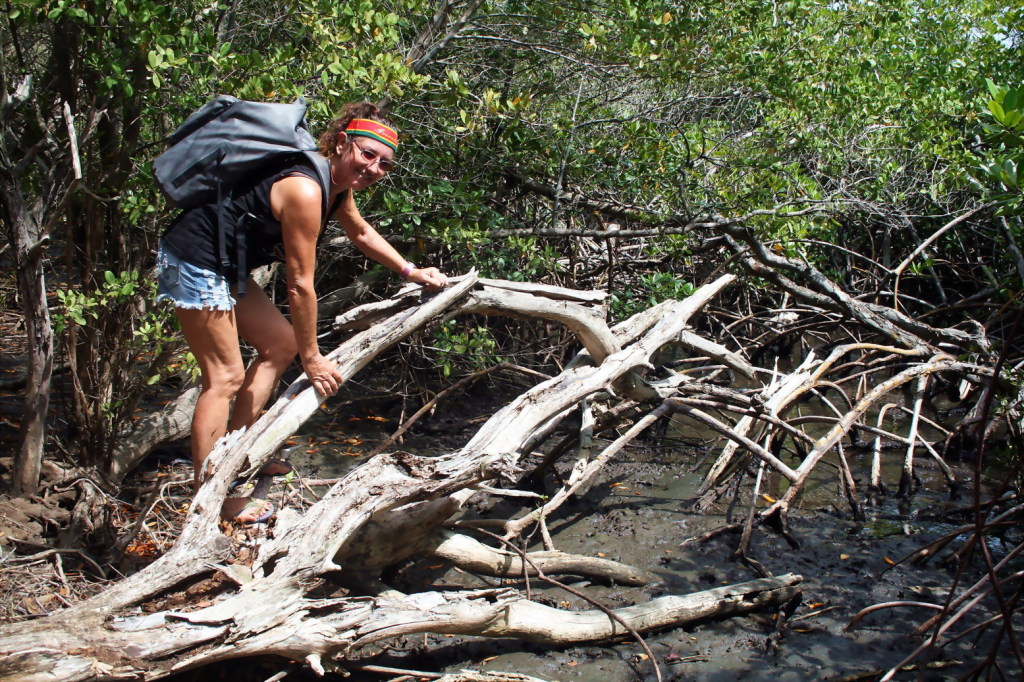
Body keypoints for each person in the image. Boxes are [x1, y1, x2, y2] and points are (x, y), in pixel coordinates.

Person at [156, 102, 447, 523]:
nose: (374, 168)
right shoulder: (306, 189)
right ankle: (212, 495)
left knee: (280, 343)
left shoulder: (337, 187)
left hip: (226, 264)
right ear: (343, 144)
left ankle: (239, 454)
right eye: (368, 154)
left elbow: (360, 232)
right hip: (194, 259)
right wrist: (312, 359)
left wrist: (410, 271)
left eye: (385, 164)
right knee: (225, 376)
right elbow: (299, 284)